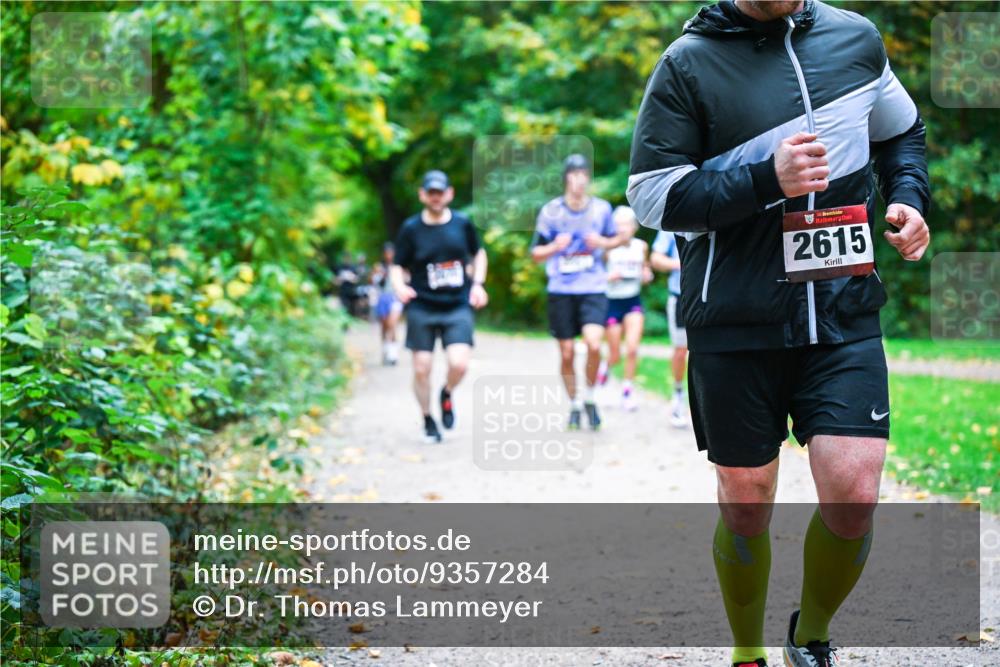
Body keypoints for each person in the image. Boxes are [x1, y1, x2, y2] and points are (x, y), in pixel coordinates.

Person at [627, 2, 930, 666]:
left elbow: (902, 131)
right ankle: (746, 650)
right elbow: (651, 196)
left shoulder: (855, 40)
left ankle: (810, 633)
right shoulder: (688, 64)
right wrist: (767, 179)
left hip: (843, 312)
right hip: (736, 321)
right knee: (745, 502)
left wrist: (908, 195)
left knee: (854, 492)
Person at [391, 170, 489, 443]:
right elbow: (398, 264)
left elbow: (478, 253)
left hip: (457, 304)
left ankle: (446, 392)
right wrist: (399, 286)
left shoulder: (462, 224)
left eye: (440, 192)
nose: (435, 197)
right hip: (422, 305)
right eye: (430, 192)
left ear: (449, 193)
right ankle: (427, 418)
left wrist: (478, 284)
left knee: (459, 364)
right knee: (421, 368)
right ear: (422, 195)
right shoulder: (411, 229)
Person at [531, 154, 622, 431]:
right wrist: (555, 247)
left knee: (595, 344)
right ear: (567, 178)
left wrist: (603, 243)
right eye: (575, 174)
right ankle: (573, 404)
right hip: (561, 289)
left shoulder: (602, 209)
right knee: (567, 352)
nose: (580, 180)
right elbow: (535, 254)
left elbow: (619, 239)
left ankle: (591, 397)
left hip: (592, 286)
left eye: (585, 175)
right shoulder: (551, 212)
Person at [596, 206, 651, 411]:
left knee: (633, 348)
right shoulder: (607, 248)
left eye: (626, 224)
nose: (622, 228)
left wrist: (647, 275)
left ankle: (627, 391)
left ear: (634, 227)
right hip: (612, 303)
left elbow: (646, 269)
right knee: (615, 353)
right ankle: (605, 368)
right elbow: (594, 276)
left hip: (632, 301)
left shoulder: (641, 246)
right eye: (618, 225)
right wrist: (607, 277)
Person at [650, 229, 688, 428]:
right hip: (680, 295)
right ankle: (678, 395)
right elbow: (655, 258)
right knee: (681, 351)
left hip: (711, 296)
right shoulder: (674, 220)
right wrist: (684, 263)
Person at [372, 242, 403, 365]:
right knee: (384, 327)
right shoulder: (379, 267)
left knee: (392, 324)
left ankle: (393, 354)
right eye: (387, 253)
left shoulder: (398, 266)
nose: (389, 255)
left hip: (395, 298)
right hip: (382, 298)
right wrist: (379, 274)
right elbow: (372, 281)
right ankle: (386, 349)